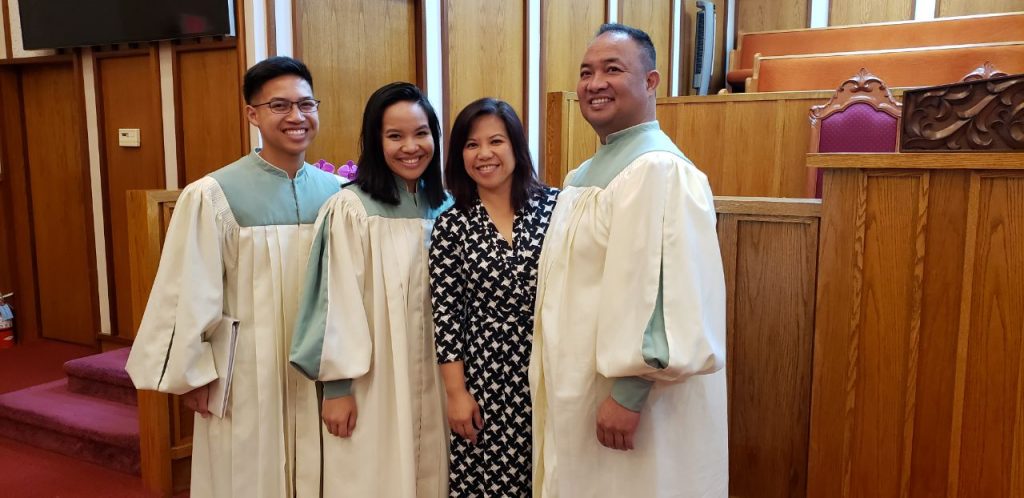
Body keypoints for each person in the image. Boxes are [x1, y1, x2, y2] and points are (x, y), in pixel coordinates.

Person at [126, 56, 339, 498]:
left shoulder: (337, 195)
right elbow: (188, 287)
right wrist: (195, 371)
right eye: (280, 106)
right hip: (246, 366)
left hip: (321, 364)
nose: (297, 117)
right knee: (247, 471)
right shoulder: (214, 194)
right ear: (252, 114)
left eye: (306, 104)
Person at [529, 23, 728, 497]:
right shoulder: (582, 174)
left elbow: (665, 292)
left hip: (634, 402)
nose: (594, 83)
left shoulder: (660, 171)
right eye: (586, 72)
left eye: (612, 69)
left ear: (651, 81)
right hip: (580, 391)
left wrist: (630, 392)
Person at [290, 82, 450, 497]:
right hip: (374, 379)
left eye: (421, 133)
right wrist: (338, 389)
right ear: (375, 142)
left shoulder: (448, 207)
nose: (410, 147)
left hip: (439, 377)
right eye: (394, 136)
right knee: (371, 476)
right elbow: (336, 303)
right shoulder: (352, 208)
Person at [430, 98, 558, 496]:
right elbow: (447, 315)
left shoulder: (556, 207)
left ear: (516, 147)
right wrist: (456, 394)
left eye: (496, 141)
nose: (484, 154)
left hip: (549, 371)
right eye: (471, 145)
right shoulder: (452, 224)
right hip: (487, 381)